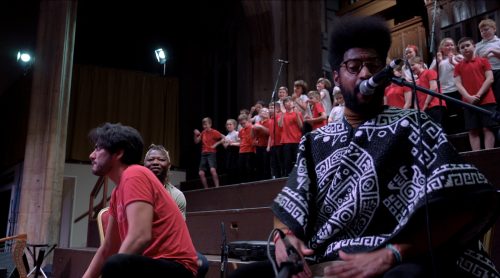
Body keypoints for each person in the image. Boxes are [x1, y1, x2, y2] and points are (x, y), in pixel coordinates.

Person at [230, 16, 499, 278]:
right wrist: (285, 239)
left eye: (373, 65)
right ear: (336, 76)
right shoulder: (314, 142)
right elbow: (288, 207)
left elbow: (464, 204)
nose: (366, 73)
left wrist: (393, 252)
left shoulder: (414, 125)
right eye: (354, 66)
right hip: (328, 256)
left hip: (397, 257)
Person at [83, 123, 198, 278]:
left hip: (177, 267)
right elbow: (108, 247)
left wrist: (115, 269)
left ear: (118, 153)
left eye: (98, 148)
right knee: (115, 262)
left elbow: (140, 236)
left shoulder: (135, 174)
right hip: (151, 264)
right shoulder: (118, 192)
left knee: (115, 264)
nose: (91, 155)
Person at [143, 144, 209, 277]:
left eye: (161, 160)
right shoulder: (137, 190)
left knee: (201, 262)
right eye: (151, 159)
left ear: (169, 165)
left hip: (168, 248)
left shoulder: (177, 195)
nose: (155, 162)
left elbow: (176, 232)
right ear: (144, 164)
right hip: (143, 246)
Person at [454, 37, 497, 150]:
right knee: (472, 130)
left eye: (467, 45)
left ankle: (489, 154)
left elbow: (490, 79)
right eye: (462, 47)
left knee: (487, 128)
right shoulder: (458, 66)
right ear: (459, 51)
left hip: (487, 99)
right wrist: (468, 97)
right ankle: (477, 156)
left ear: (474, 46)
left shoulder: (483, 61)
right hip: (468, 102)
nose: (465, 48)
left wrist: (478, 94)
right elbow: (458, 84)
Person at [430, 37, 465, 133]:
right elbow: (430, 74)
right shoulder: (437, 60)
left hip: (457, 89)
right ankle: (449, 133)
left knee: (460, 112)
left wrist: (454, 62)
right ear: (442, 48)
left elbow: (464, 71)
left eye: (451, 45)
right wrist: (438, 61)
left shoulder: (459, 57)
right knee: (445, 115)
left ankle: (462, 131)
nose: (450, 47)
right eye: (447, 45)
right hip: (443, 91)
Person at [408, 56, 447, 126]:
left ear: (420, 64)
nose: (411, 68)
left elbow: (433, 88)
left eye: (413, 65)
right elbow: (416, 98)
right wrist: (417, 110)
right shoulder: (416, 81)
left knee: (436, 129)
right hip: (423, 110)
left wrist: (425, 104)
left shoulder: (429, 72)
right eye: (409, 67)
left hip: (435, 106)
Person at [475, 18, 500, 113]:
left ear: (494, 29)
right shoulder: (478, 46)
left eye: (486, 29)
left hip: (498, 70)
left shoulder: (498, 42)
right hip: (485, 74)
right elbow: (475, 60)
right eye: (481, 31)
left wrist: (492, 51)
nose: (484, 32)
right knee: (490, 97)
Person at [193, 117, 224, 188]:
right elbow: (196, 141)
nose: (205, 126)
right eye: (204, 125)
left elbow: (224, 137)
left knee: (212, 170)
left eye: (206, 124)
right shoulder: (203, 132)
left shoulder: (214, 132)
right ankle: (206, 189)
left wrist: (216, 144)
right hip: (203, 154)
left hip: (211, 153)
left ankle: (217, 187)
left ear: (210, 124)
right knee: (201, 173)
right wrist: (195, 134)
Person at [278, 96, 303, 176]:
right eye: (286, 102)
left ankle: (298, 175)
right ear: (284, 105)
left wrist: (296, 114)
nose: (289, 103)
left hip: (296, 139)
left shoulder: (298, 113)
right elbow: (280, 125)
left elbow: (301, 126)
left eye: (290, 101)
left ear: (293, 103)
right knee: (287, 161)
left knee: (297, 159)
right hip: (286, 141)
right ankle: (287, 176)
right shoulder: (282, 114)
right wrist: (282, 113)